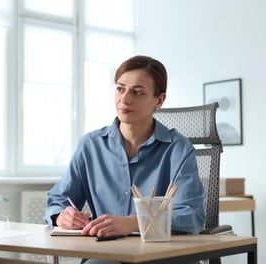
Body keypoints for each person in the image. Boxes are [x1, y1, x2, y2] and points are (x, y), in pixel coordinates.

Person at [45, 55, 205, 243]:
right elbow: (58, 199)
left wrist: (133, 223)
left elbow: (192, 215)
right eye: (120, 89)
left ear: (159, 100)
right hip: (106, 252)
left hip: (160, 255)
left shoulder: (178, 149)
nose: (125, 99)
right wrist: (61, 215)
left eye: (137, 92)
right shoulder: (90, 145)